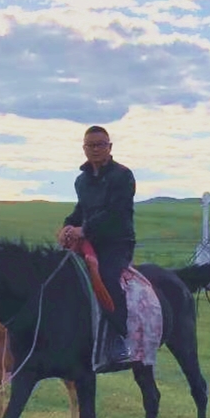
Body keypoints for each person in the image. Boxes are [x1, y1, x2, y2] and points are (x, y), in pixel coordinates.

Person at [58, 126, 136, 363]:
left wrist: (84, 229)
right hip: (89, 243)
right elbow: (81, 210)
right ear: (83, 148)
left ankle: (119, 338)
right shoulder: (81, 181)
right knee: (57, 273)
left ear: (109, 147)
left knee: (108, 278)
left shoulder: (123, 176)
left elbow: (116, 213)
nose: (95, 149)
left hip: (116, 243)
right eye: (90, 145)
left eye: (100, 144)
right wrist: (67, 226)